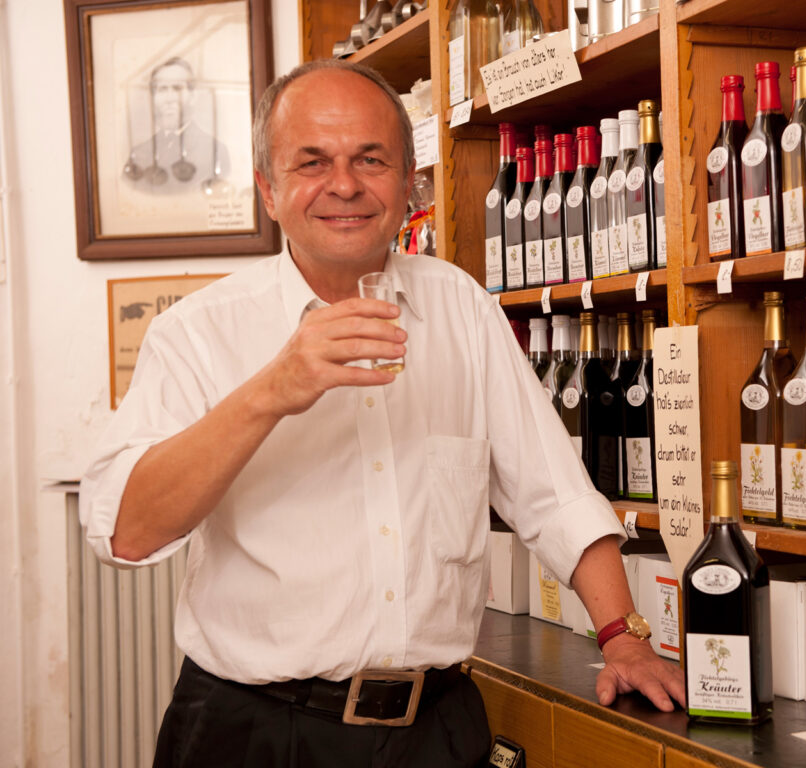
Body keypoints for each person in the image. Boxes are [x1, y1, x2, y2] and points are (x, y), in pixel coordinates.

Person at [81, 58, 685, 768]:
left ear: (408, 184)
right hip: (257, 733)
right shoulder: (197, 332)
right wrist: (271, 390)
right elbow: (127, 531)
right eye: (313, 162)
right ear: (268, 191)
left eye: (371, 159)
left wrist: (624, 636)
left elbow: (553, 494)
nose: (344, 185)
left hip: (436, 730)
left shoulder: (460, 306)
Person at [122, 57, 231, 196]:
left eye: (177, 89)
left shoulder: (215, 151)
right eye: (162, 89)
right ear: (153, 98)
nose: (169, 99)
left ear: (193, 96)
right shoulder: (138, 154)